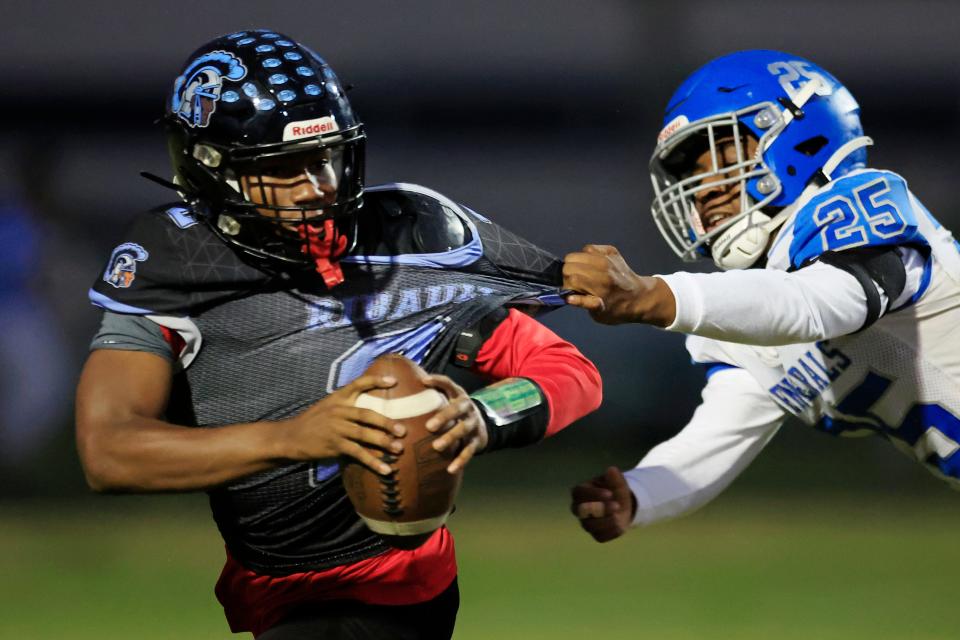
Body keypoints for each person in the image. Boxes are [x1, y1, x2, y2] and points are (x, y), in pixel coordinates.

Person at [75, 30, 602, 638]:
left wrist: (484, 417)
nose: (317, 187)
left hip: (394, 590)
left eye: (323, 158)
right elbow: (108, 451)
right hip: (273, 588)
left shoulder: (405, 240)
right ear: (212, 171)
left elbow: (570, 373)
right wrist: (290, 438)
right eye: (281, 167)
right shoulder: (174, 263)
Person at [564, 49, 960, 543]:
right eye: (692, 172)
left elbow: (818, 303)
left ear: (800, 136)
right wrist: (641, 493)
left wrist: (656, 297)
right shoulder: (757, 300)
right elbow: (722, 432)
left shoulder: (856, 206)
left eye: (724, 154)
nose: (703, 189)